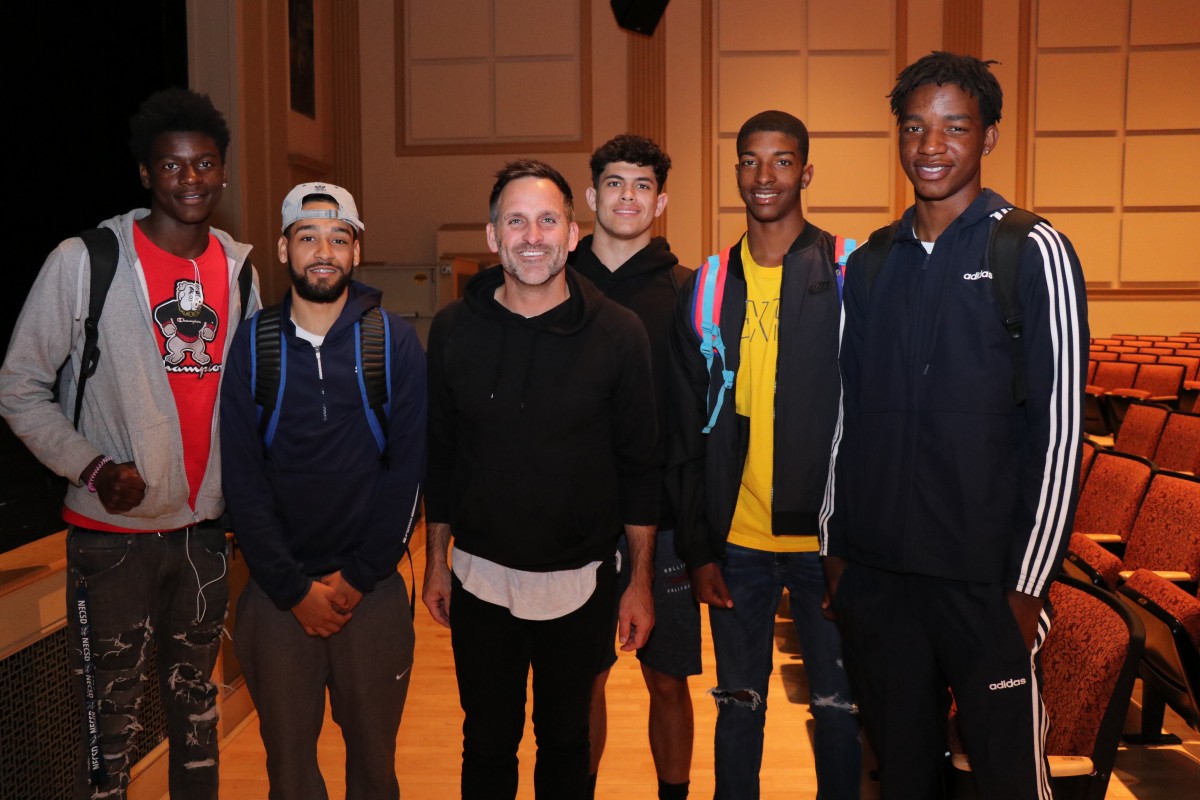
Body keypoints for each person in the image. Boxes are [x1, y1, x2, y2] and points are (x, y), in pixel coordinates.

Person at [820, 51, 1088, 800]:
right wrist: (836, 553)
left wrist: (1029, 584)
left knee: (1005, 779)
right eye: (914, 128)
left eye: (953, 128)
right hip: (878, 581)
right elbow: (845, 416)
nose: (930, 146)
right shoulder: (871, 264)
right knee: (902, 777)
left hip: (986, 584)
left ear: (989, 136)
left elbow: (1062, 431)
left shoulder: (1032, 250)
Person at [0, 87, 258, 799]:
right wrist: (91, 464)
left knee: (197, 720)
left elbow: (253, 397)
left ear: (224, 170)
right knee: (108, 729)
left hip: (203, 534)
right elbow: (18, 385)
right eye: (172, 167)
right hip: (110, 540)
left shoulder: (241, 273)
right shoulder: (85, 262)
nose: (191, 179)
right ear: (146, 173)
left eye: (204, 164)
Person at [423, 159, 660, 800]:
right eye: (517, 221)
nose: (533, 236)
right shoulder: (451, 332)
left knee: (566, 744)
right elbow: (440, 458)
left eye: (548, 220)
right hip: (481, 579)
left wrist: (638, 583)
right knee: (488, 744)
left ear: (573, 232)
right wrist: (436, 563)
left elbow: (640, 469)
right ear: (494, 236)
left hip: (580, 584)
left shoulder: (619, 333)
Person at [667, 110, 862, 800]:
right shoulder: (711, 284)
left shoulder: (847, 271)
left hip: (824, 549)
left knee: (839, 712)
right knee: (738, 708)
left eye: (782, 162)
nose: (765, 176)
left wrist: (854, 548)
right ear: (736, 172)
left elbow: (870, 420)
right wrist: (699, 550)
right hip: (737, 547)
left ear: (805, 172)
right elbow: (688, 433)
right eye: (750, 161)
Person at [220, 183, 426, 799]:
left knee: (374, 767)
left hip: (373, 593)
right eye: (308, 237)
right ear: (284, 249)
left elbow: (408, 472)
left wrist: (359, 577)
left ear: (357, 253)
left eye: (339, 238)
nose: (324, 251)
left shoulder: (392, 342)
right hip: (278, 599)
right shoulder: (254, 345)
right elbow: (243, 478)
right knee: (289, 771)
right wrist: (290, 588)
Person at [570, 135, 699, 800]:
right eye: (614, 183)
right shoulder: (553, 282)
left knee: (668, 679)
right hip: (576, 523)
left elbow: (703, 414)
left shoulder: (688, 292)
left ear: (661, 200)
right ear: (591, 197)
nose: (627, 196)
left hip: (667, 523)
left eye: (642, 184)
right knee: (582, 679)